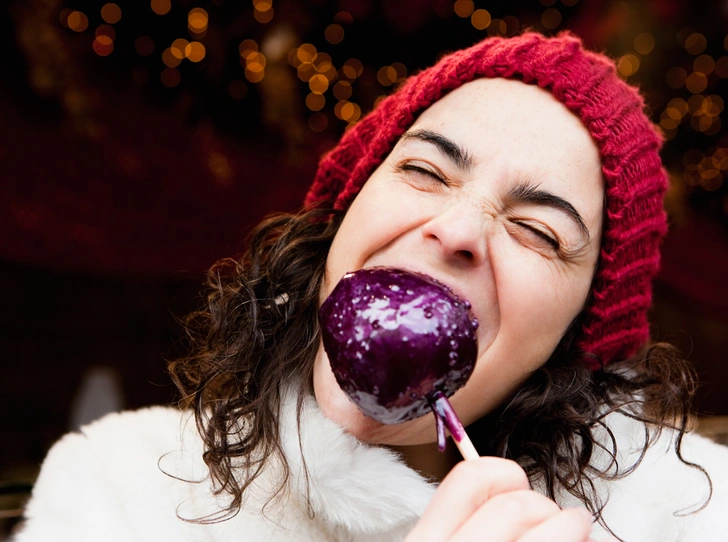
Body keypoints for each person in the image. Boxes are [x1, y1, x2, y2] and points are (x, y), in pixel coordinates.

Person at [13, 31, 728, 542]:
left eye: (537, 231)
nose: (456, 229)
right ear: (342, 220)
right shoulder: (122, 490)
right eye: (425, 171)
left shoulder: (690, 513)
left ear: (575, 338)